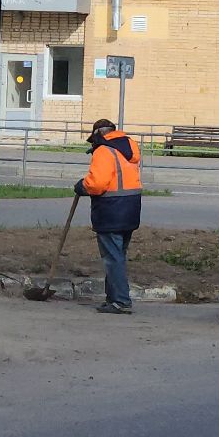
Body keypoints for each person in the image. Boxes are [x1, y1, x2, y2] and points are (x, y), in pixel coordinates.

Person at [76, 118, 142, 314]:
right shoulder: (128, 147)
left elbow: (97, 183)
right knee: (118, 256)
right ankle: (113, 298)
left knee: (113, 258)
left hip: (111, 210)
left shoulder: (104, 151)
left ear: (98, 134)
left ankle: (120, 301)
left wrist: (83, 186)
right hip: (130, 208)